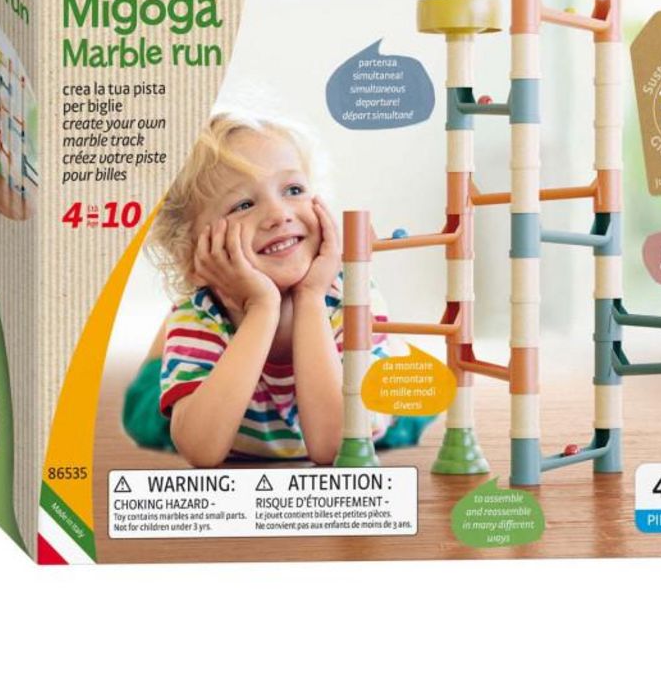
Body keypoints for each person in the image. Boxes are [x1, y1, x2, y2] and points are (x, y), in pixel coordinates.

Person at [125, 112, 432, 466]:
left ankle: (395, 348)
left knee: (415, 393)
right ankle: (163, 348)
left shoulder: (352, 298)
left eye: (293, 190)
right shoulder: (201, 317)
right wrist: (262, 307)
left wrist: (311, 297)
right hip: (214, 391)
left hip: (376, 404)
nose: (279, 214)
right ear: (195, 256)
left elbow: (335, 447)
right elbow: (201, 450)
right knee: (147, 410)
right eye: (243, 205)